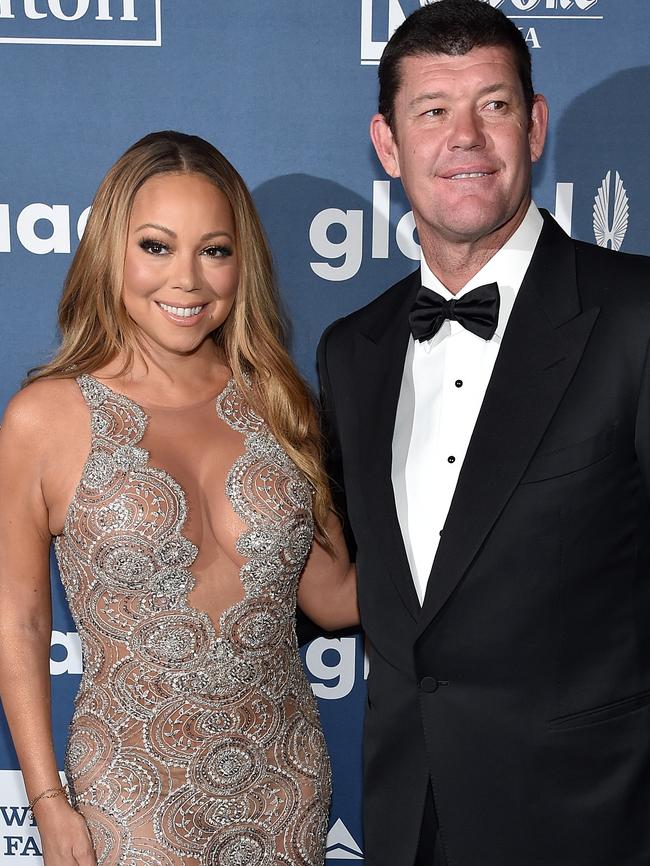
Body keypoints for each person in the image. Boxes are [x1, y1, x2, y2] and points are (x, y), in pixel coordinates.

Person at [317, 2, 650, 865]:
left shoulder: (637, 317)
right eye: (432, 111)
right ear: (388, 146)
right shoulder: (353, 351)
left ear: (534, 127)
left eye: (493, 106)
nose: (465, 137)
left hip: (595, 820)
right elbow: (352, 583)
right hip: (406, 819)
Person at [0, 130, 357, 866]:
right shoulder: (47, 416)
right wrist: (47, 800)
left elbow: (335, 597)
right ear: (112, 253)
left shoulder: (282, 405)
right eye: (157, 247)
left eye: (215, 250)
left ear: (241, 263)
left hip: (285, 785)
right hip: (131, 795)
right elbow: (21, 620)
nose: (188, 280)